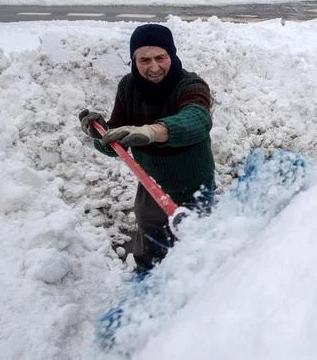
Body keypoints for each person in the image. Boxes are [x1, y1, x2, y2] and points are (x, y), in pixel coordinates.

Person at [79, 24, 215, 273]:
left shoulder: (191, 85)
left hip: (193, 185)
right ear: (133, 60)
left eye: (160, 58)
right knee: (151, 246)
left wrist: (151, 132)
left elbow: (198, 119)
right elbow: (116, 145)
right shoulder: (129, 87)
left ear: (171, 56)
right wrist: (101, 135)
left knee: (198, 250)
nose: (153, 67)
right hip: (151, 183)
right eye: (144, 59)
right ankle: (146, 284)